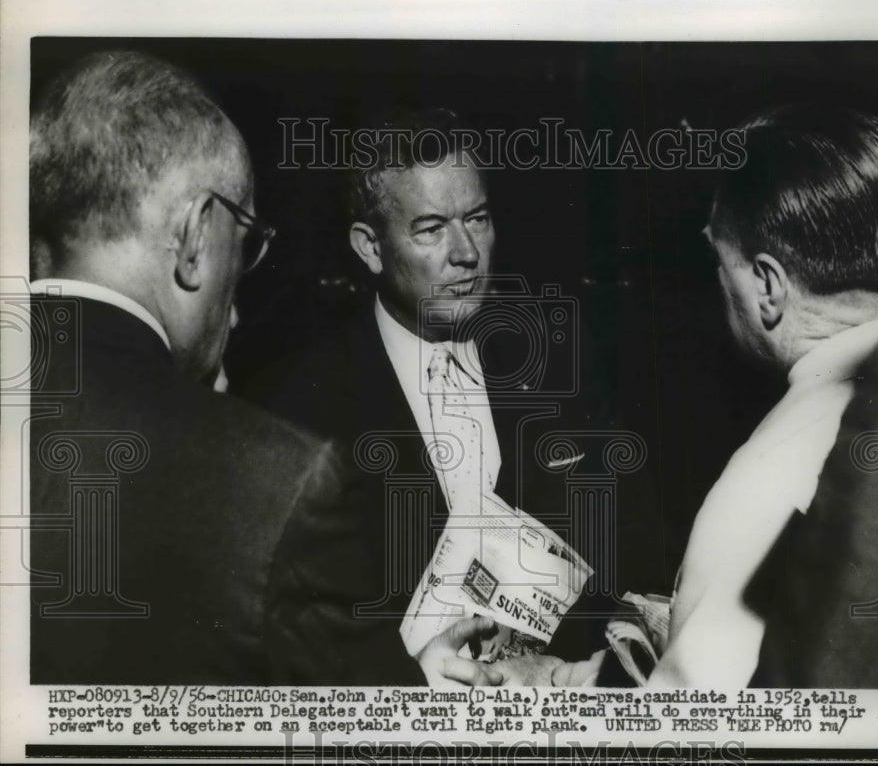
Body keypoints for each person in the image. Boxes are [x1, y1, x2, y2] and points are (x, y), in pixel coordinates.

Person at [28, 51, 500, 686]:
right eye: (243, 238)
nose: (465, 251)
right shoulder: (276, 469)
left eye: (477, 218)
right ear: (196, 235)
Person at [242, 109, 655, 677]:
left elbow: (632, 547)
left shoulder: (564, 364)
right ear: (369, 247)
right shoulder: (293, 407)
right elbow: (287, 631)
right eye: (432, 228)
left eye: (478, 219)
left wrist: (585, 665)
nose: (467, 252)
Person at [647, 104, 878, 688]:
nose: (719, 283)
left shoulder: (766, 477)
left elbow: (692, 734)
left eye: (719, 261)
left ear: (768, 288)